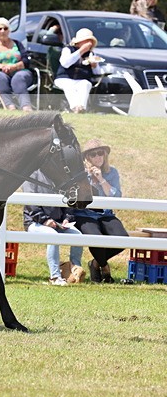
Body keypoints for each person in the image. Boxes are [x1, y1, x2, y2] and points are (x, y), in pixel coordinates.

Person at [73, 139, 129, 283]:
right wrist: (89, 177)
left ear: (105, 155)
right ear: (87, 157)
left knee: (122, 238)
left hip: (105, 213)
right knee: (95, 237)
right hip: (85, 214)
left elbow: (116, 196)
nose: (98, 157)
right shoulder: (81, 174)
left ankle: (95, 263)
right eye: (93, 154)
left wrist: (101, 179)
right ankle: (104, 268)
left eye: (100, 153)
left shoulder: (112, 172)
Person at [23, 169, 85, 286]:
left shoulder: (60, 174)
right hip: (34, 222)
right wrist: (44, 220)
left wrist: (67, 218)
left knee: (78, 235)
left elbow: (69, 202)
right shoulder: (32, 174)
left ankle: (74, 269)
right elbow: (30, 203)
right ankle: (55, 277)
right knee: (53, 236)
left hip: (58, 223)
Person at [0, 17, 35, 111]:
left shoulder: (17, 43)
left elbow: (26, 61)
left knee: (18, 78)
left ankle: (26, 107)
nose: (3, 31)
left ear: (9, 30)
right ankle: (10, 106)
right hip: (1, 72)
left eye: (5, 28)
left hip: (20, 71)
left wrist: (14, 66)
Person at [53, 28, 103, 113]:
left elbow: (98, 74)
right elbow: (65, 63)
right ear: (79, 42)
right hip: (64, 78)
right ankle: (75, 107)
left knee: (86, 84)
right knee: (68, 86)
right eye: (86, 41)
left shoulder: (91, 54)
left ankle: (81, 108)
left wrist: (94, 66)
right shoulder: (68, 50)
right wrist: (81, 51)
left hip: (81, 79)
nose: (89, 44)